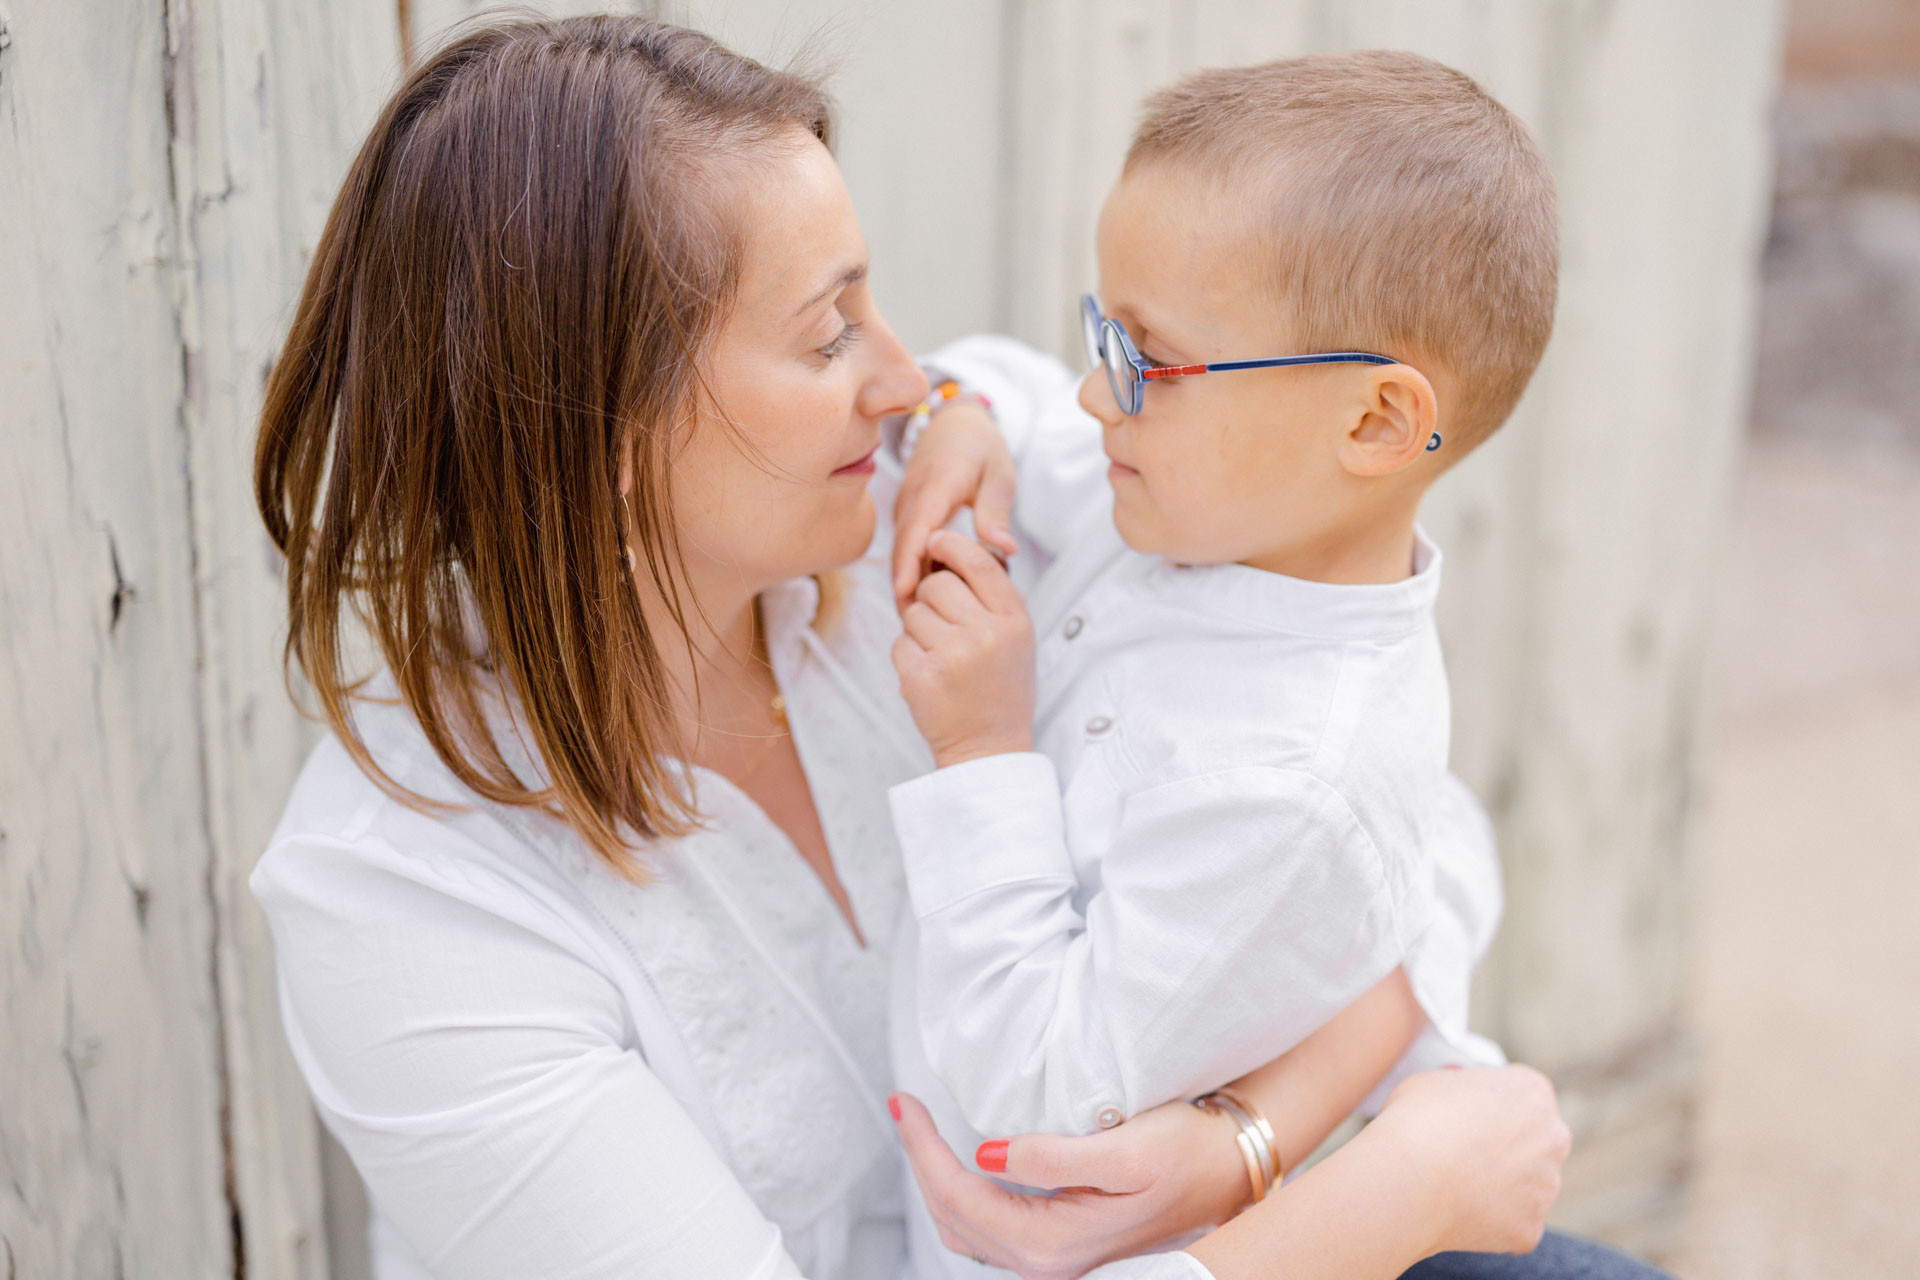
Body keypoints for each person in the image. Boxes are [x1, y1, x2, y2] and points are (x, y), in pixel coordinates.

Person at [249, 16, 1573, 1279]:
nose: (903, 379)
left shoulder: (929, 519)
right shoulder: (404, 902)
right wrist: (1391, 1193)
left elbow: (1413, 829)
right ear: (596, 425)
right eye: (829, 332)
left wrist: (1250, 1140)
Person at [878, 52, 1600, 1280]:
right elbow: (1016, 385)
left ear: (1374, 424)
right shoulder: (1187, 498)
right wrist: (965, 410)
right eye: (1103, 330)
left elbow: (1031, 1101)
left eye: (1146, 358)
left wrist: (981, 753)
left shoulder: (1293, 780)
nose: (1100, 396)